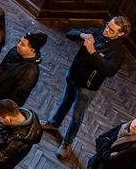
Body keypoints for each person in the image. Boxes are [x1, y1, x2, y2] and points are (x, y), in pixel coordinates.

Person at [44, 17, 130, 159]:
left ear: (120, 34)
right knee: (65, 103)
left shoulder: (118, 51)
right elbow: (70, 33)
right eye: (107, 26)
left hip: (87, 88)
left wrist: (93, 52)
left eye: (111, 30)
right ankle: (54, 124)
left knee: (77, 116)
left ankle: (67, 143)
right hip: (72, 76)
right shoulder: (98, 32)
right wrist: (82, 35)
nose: (106, 30)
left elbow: (110, 71)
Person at [0, 32, 47, 117]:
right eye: (20, 41)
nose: (18, 45)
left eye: (23, 44)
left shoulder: (30, 73)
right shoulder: (15, 50)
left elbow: (16, 99)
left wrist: (0, 112)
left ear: (32, 50)